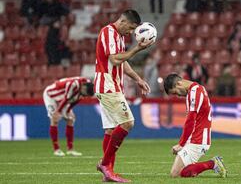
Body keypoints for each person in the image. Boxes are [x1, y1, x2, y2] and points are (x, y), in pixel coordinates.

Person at [94, 9, 153, 183]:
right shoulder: (108, 32)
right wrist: (137, 49)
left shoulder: (118, 36)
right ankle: (105, 164)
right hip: (107, 86)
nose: (130, 33)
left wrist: (138, 79)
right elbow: (114, 60)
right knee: (127, 123)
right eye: (131, 29)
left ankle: (108, 172)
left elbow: (123, 62)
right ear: (123, 21)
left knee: (111, 129)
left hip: (112, 85)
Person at [163, 73, 227, 178]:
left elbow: (190, 120)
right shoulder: (195, 90)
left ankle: (213, 163)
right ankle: (211, 164)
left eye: (175, 92)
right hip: (197, 138)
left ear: (179, 83)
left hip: (198, 139)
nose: (178, 95)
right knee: (181, 172)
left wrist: (181, 144)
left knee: (175, 174)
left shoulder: (195, 92)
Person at [43, 77, 94, 156]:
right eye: (85, 93)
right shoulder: (73, 84)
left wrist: (68, 110)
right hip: (51, 95)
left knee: (71, 119)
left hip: (62, 99)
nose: (85, 95)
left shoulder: (86, 87)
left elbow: (76, 100)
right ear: (84, 86)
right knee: (54, 119)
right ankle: (57, 149)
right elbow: (67, 98)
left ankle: (70, 149)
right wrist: (57, 112)